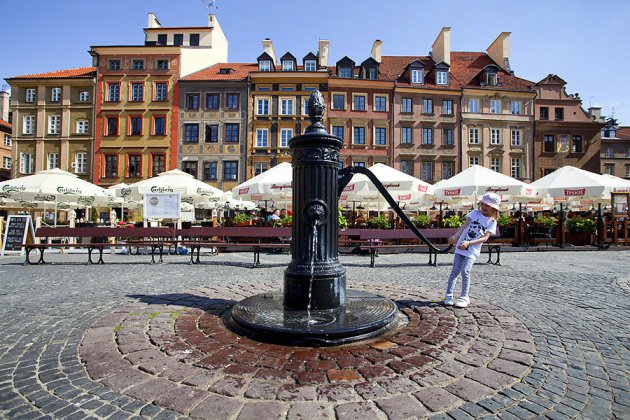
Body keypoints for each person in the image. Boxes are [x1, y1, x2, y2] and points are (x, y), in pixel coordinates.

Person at [444, 192, 500, 308]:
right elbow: (464, 226)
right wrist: (456, 236)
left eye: (487, 205)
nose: (484, 207)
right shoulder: (475, 213)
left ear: (494, 208)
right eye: (483, 204)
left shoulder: (492, 221)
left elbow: (485, 238)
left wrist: (469, 243)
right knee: (455, 270)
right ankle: (448, 295)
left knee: (465, 271)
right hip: (460, 246)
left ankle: (464, 297)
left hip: (472, 249)